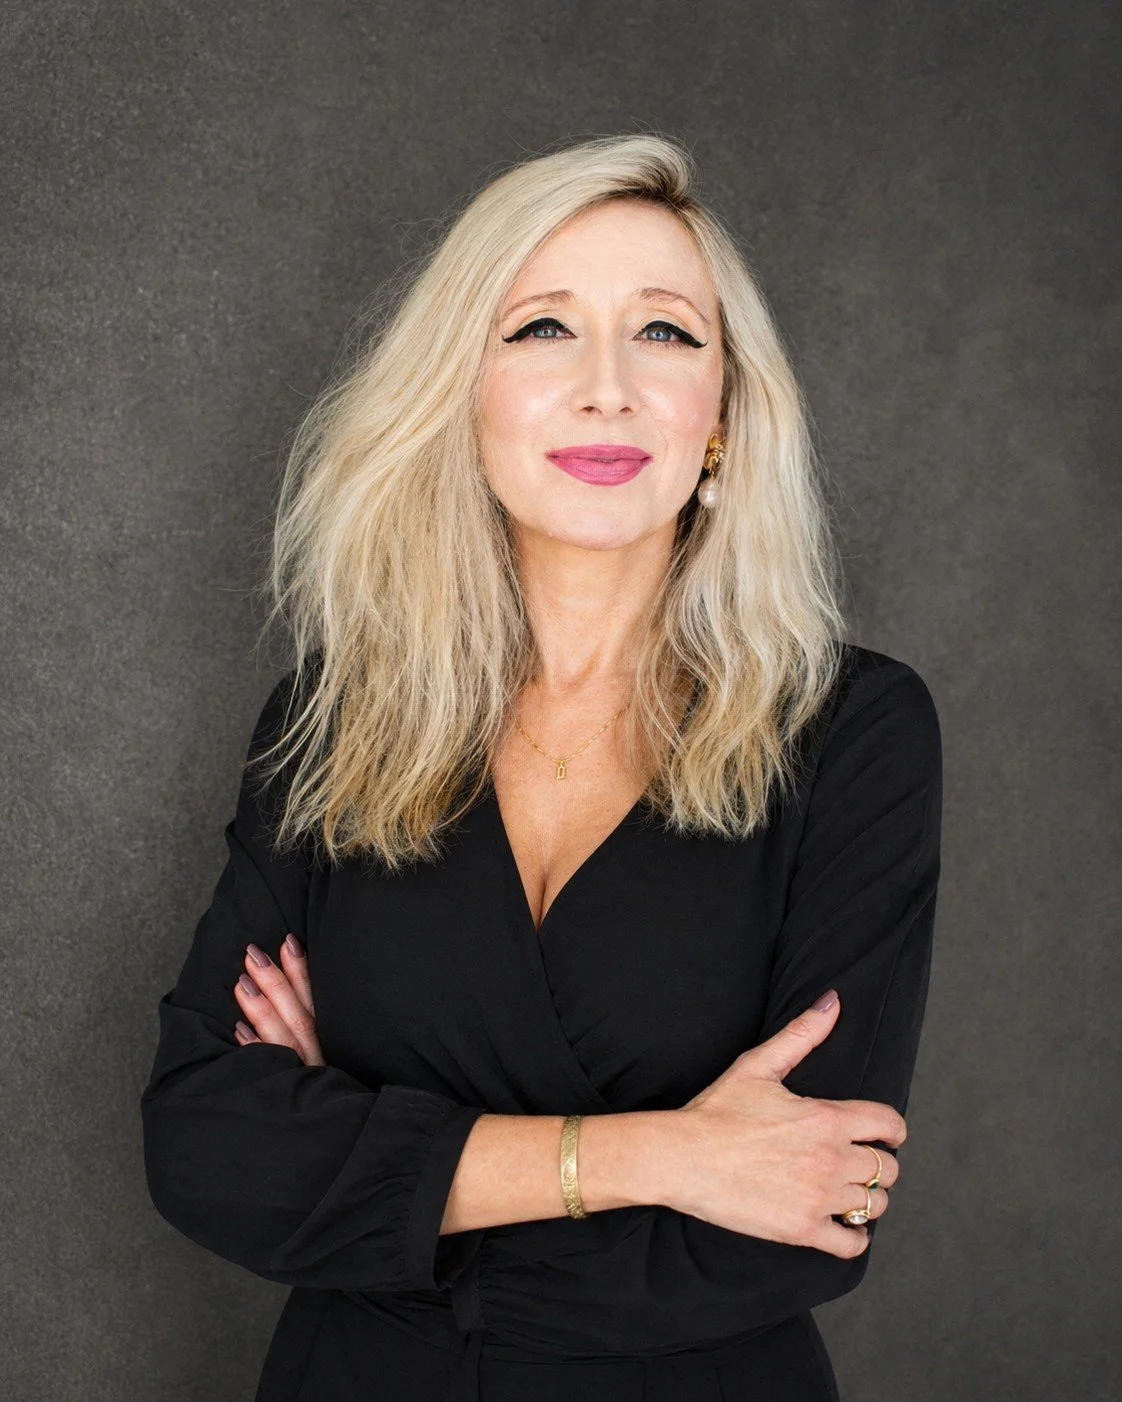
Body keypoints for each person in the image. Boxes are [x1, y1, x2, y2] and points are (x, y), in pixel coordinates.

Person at [140, 133, 942, 1402]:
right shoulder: (338, 722)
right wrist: (660, 1155)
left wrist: (369, 1176)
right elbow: (203, 1144)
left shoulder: (851, 732)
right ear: (463, 394)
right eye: (543, 328)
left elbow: (801, 1218)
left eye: (665, 332)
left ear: (725, 415)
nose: (607, 388)